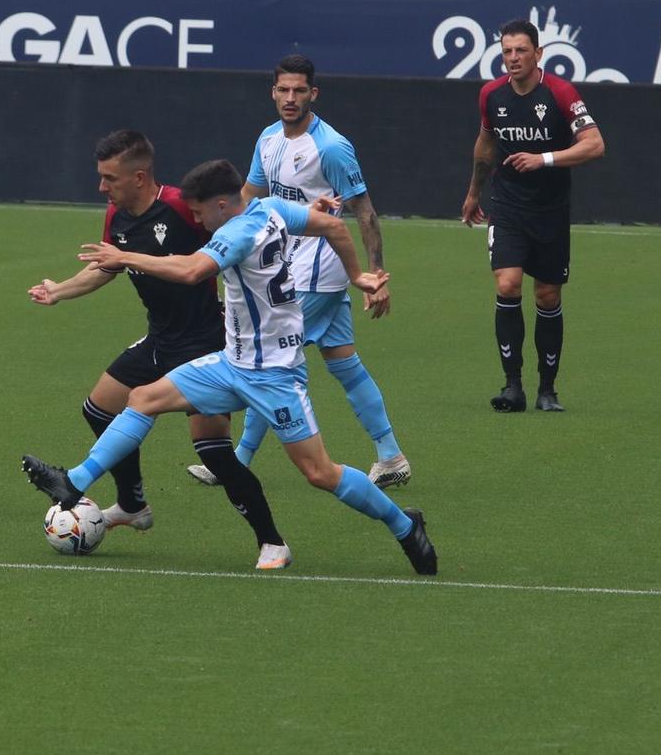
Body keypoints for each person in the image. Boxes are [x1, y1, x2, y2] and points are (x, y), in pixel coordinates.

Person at [23, 159, 437, 577]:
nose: (197, 219)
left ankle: (404, 525)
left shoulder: (239, 232)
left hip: (275, 375)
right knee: (143, 397)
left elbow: (189, 271)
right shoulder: (271, 207)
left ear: (222, 204)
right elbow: (332, 226)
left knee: (319, 472)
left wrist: (126, 255)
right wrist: (358, 276)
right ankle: (72, 481)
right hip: (231, 363)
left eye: (199, 211)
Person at [28, 130, 293, 568]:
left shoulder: (180, 209)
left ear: (139, 176)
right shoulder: (116, 215)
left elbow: (237, 232)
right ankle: (132, 505)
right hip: (160, 340)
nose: (102, 187)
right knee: (98, 408)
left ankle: (272, 541)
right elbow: (107, 266)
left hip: (206, 344)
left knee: (213, 452)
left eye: (109, 178)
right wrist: (60, 291)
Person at [199, 55, 409, 489]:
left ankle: (236, 460)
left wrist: (376, 275)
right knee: (344, 364)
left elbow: (364, 212)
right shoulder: (268, 139)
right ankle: (390, 456)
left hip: (320, 271)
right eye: (283, 90)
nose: (290, 98)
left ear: (313, 94)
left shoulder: (331, 147)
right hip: (285, 264)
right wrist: (223, 239)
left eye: (299, 91)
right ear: (273, 92)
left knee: (266, 362)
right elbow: (249, 198)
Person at [460, 19, 606, 413]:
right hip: (507, 207)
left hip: (550, 211)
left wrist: (543, 159)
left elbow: (594, 145)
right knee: (507, 285)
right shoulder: (491, 95)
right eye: (507, 51)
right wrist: (474, 192)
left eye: (521, 50)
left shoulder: (560, 93)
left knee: (547, 294)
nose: (513, 58)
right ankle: (512, 386)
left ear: (538, 53)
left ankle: (547, 388)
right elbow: (486, 142)